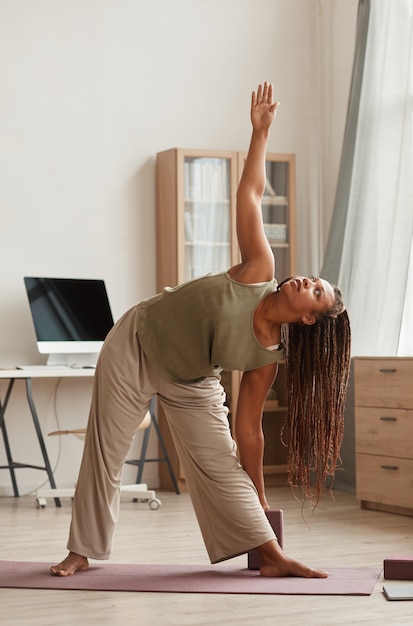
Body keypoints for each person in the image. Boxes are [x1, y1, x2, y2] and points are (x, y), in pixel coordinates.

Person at [51, 82, 351, 578]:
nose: (307, 282)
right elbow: (250, 193)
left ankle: (271, 556)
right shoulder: (260, 268)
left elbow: (250, 433)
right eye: (314, 280)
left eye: (315, 292)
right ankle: (81, 552)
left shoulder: (267, 358)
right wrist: (260, 133)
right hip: (138, 341)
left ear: (308, 318)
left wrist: (258, 503)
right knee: (106, 451)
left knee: (222, 463)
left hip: (191, 379)